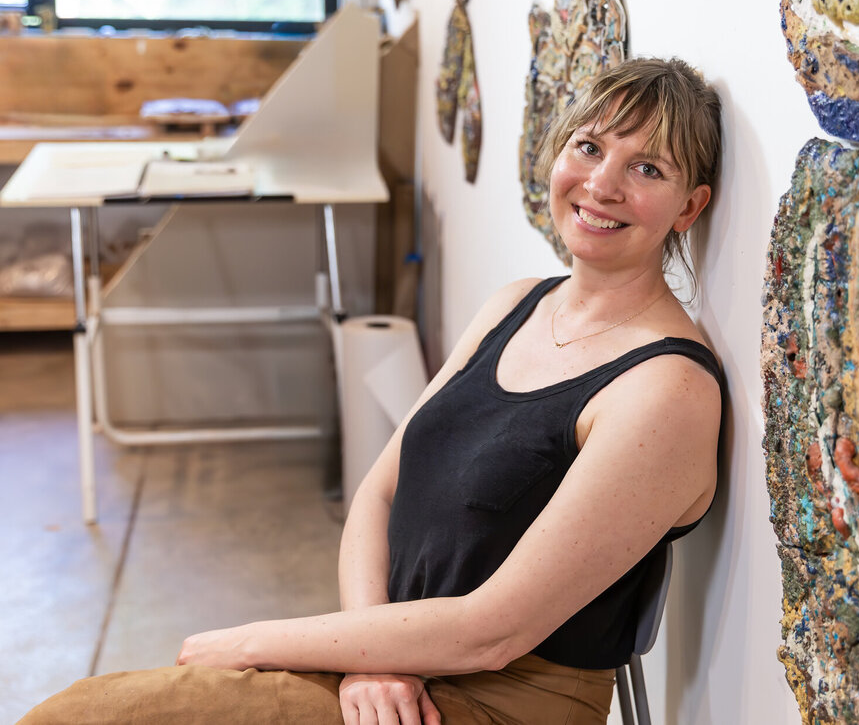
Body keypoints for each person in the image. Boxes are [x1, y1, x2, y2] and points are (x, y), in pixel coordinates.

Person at [20, 56, 724, 725]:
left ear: (688, 208)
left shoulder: (665, 389)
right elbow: (378, 493)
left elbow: (491, 633)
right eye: (589, 146)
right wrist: (372, 659)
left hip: (493, 699)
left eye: (647, 168)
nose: (602, 184)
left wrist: (254, 642)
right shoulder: (518, 303)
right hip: (397, 667)